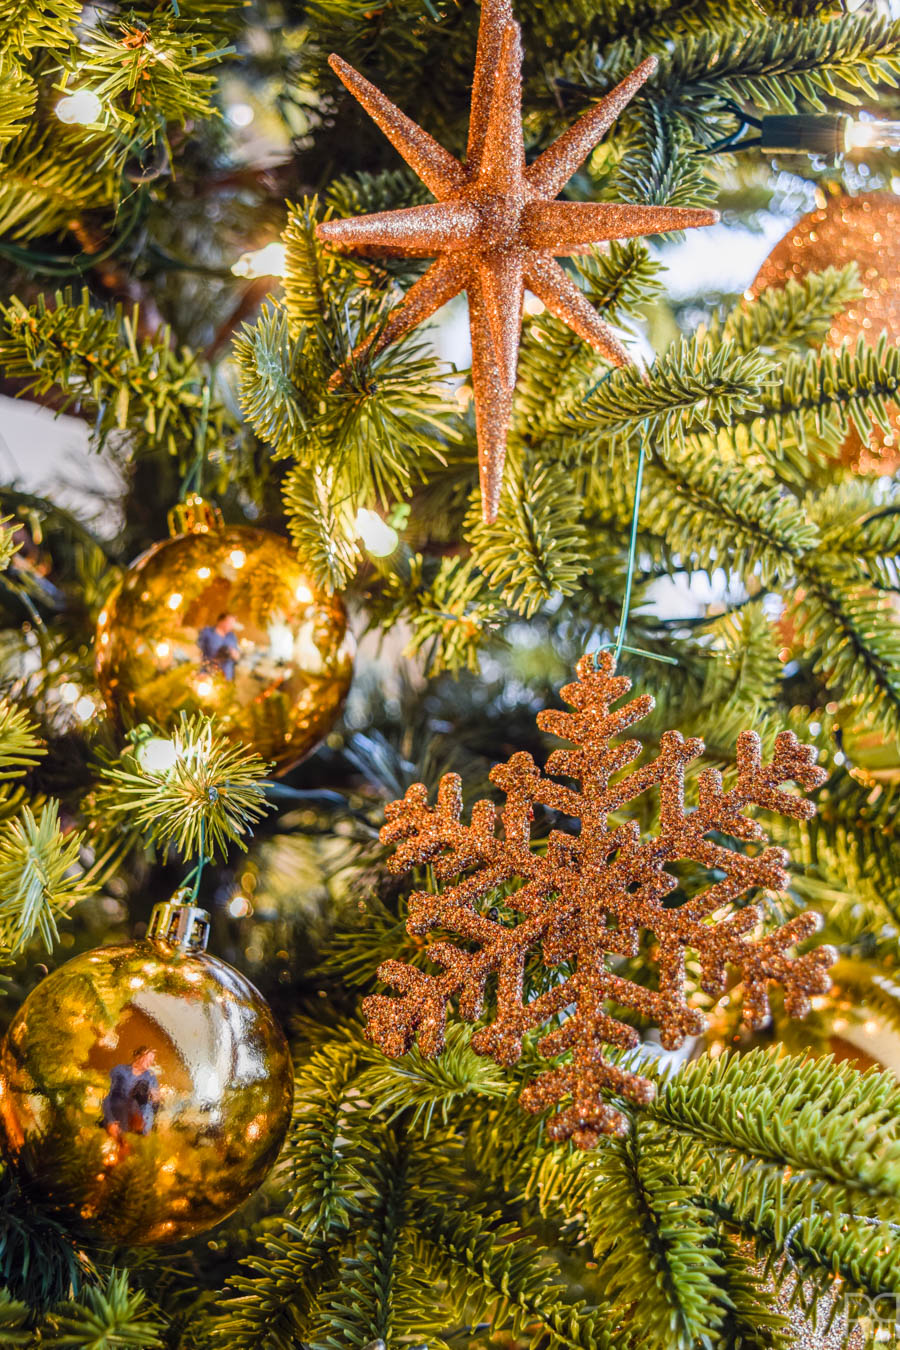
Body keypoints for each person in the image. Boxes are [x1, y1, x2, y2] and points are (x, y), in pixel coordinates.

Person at [102, 1045, 161, 1141]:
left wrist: (146, 1129)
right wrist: (110, 1121)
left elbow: (150, 1107)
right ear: (139, 1056)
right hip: (116, 1118)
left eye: (152, 1060)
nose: (151, 1062)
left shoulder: (151, 1078)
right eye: (149, 1058)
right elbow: (106, 1096)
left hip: (135, 1126)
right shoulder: (120, 1071)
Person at [197, 613, 241, 680]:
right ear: (221, 621)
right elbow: (197, 651)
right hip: (208, 673)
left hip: (226, 676)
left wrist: (232, 653)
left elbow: (237, 657)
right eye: (230, 622)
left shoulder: (232, 637)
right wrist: (201, 670)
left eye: (233, 623)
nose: (232, 626)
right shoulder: (207, 632)